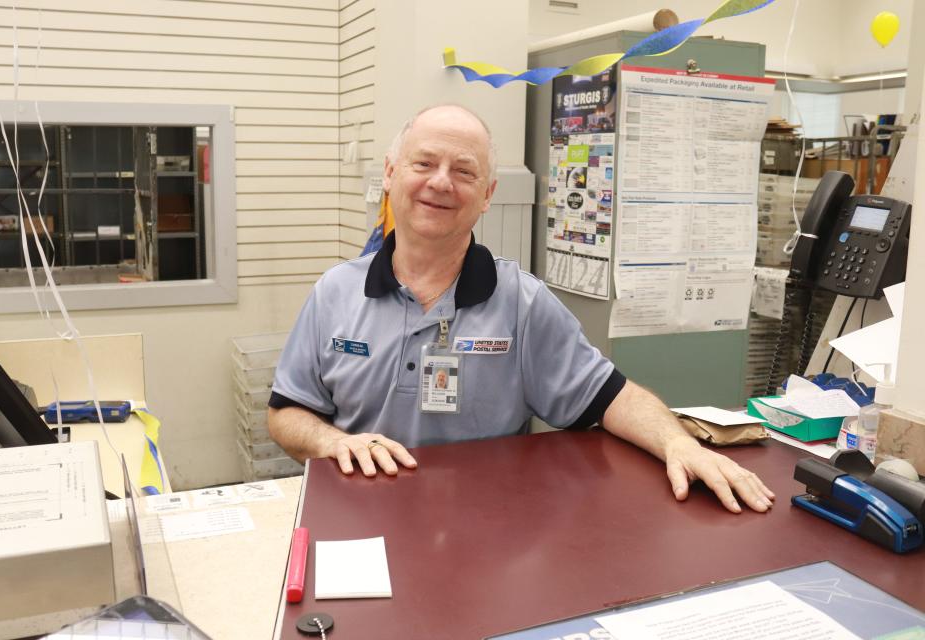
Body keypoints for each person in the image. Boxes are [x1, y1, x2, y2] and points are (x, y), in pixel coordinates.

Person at [268, 104, 775, 515]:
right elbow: (286, 412)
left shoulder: (523, 302)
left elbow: (609, 397)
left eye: (464, 171)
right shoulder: (334, 291)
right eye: (424, 163)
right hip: (358, 521)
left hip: (481, 528)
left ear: (487, 195)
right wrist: (332, 443)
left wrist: (679, 444)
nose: (441, 182)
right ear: (390, 172)